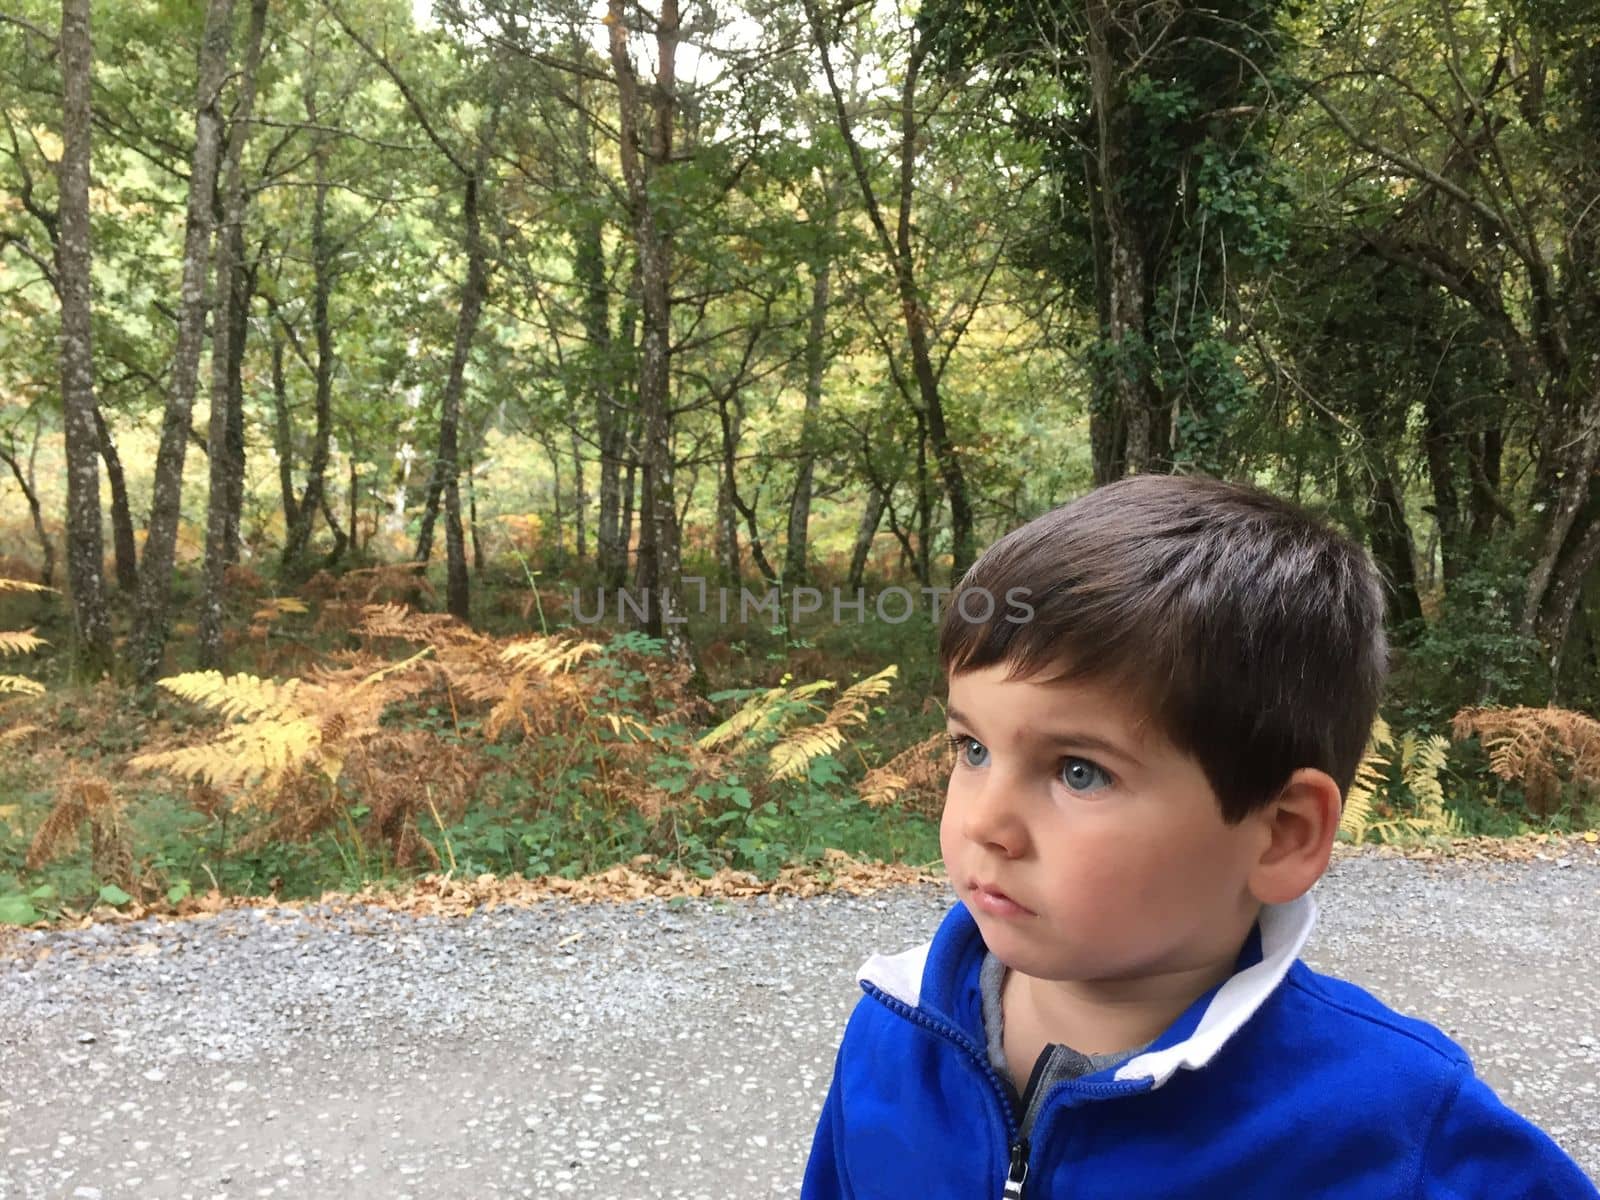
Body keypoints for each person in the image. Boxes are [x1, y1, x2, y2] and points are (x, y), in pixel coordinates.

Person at [801, 474, 1599, 1199]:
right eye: (971, 749)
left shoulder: (1396, 1119)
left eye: (1079, 771)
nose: (984, 822)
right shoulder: (893, 1029)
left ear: (1281, 834)